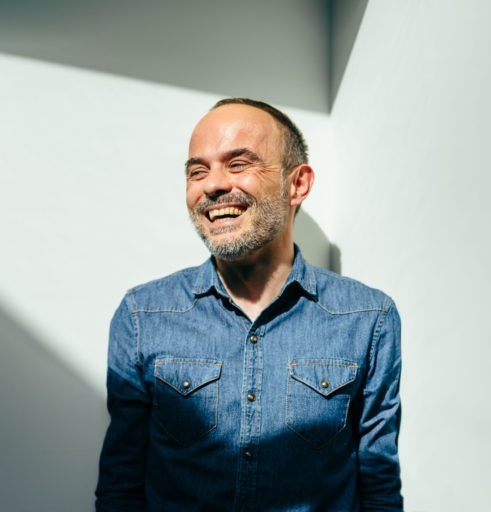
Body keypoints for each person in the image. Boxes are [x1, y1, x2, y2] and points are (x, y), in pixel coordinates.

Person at [95, 98, 403, 511]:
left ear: (297, 184)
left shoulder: (369, 319)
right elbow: (121, 486)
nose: (213, 185)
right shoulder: (142, 315)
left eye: (238, 164)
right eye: (197, 171)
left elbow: (379, 489)